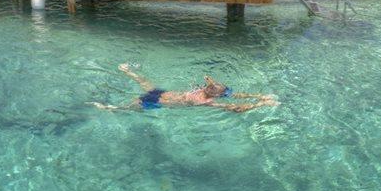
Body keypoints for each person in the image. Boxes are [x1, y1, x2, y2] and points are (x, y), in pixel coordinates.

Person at [92, 64, 279, 113]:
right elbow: (234, 108)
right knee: (134, 103)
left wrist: (261, 102)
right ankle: (111, 108)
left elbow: (234, 106)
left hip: (160, 96)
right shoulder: (207, 100)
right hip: (159, 98)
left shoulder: (204, 94)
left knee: (141, 85)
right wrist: (261, 104)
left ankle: (125, 74)